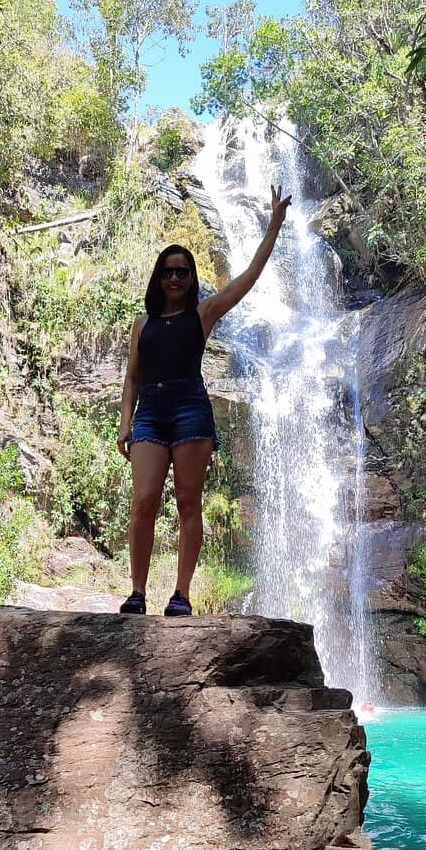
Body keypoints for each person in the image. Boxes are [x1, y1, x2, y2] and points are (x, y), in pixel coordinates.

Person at [116, 185, 292, 616]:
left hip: (191, 409)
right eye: (169, 272)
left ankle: (181, 595)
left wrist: (274, 225)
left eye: (183, 272)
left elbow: (249, 277)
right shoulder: (143, 324)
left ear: (191, 278)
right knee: (144, 502)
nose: (176, 278)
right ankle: (137, 593)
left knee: (188, 501)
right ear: (159, 279)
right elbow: (133, 378)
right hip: (151, 415)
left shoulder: (204, 313)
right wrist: (125, 422)